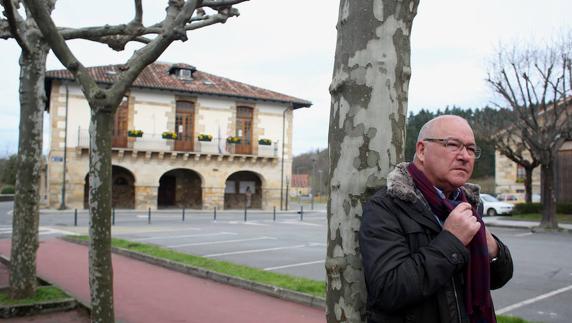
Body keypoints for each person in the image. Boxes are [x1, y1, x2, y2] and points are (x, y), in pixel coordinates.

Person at [360, 115, 513, 323]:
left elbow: (497, 278)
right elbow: (388, 290)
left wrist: (493, 249)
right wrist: (451, 241)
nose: (465, 156)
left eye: (470, 149)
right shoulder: (386, 206)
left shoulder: (468, 205)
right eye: (453, 145)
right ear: (422, 150)